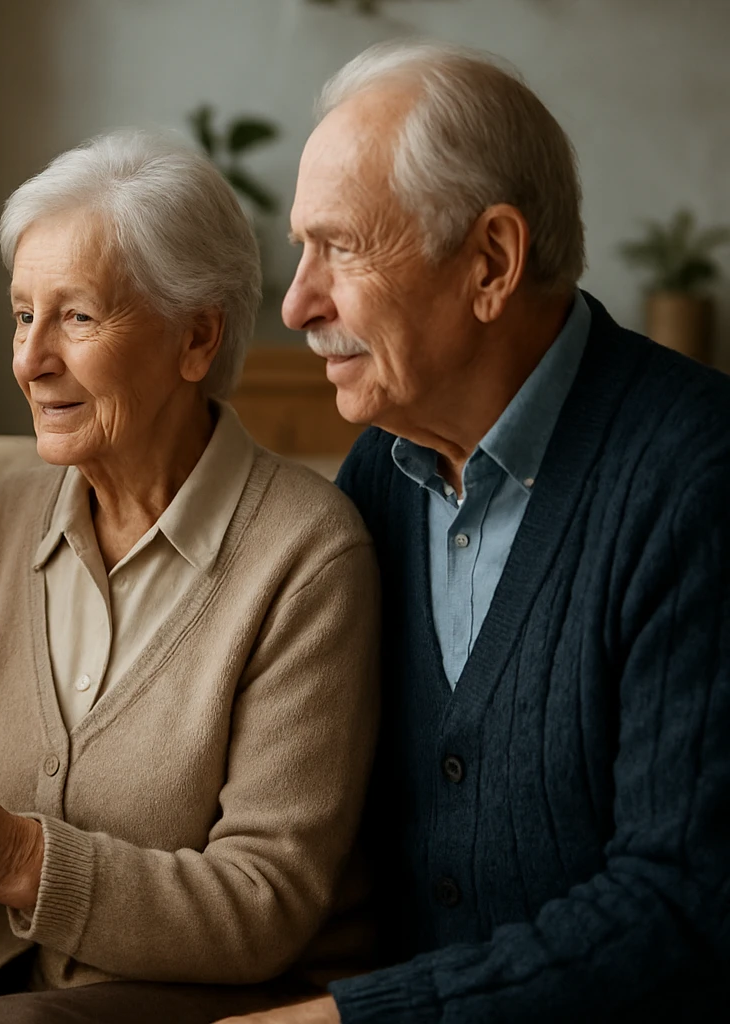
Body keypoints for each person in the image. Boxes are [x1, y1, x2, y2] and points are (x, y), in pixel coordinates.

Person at [0, 130, 382, 1024]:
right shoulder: (6, 518)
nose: (30, 359)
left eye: (77, 317)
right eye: (23, 315)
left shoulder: (308, 555)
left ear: (197, 336)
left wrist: (19, 859)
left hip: (204, 988)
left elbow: (264, 903)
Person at [225, 40, 730, 1024]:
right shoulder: (382, 468)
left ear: (491, 262)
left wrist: (347, 1020)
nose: (296, 304)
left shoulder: (694, 478)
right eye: (299, 249)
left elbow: (679, 899)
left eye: (339, 247)